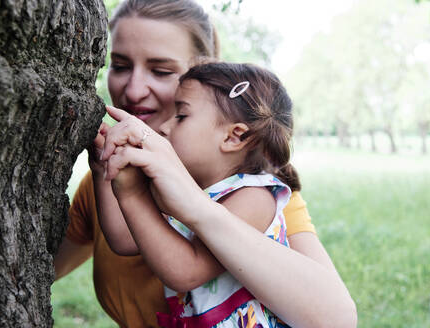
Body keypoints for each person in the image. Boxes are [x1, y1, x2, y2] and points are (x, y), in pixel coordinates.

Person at [54, 1, 357, 327]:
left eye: (161, 71)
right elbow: (31, 267)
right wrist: (107, 172)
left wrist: (194, 205)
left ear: (203, 74)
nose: (133, 89)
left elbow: (336, 319)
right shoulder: (111, 183)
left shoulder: (252, 191)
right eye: (121, 66)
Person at [98, 61, 318, 327]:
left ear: (234, 137)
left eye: (181, 116)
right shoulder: (191, 191)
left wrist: (134, 195)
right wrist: (103, 168)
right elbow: (124, 239)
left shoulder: (254, 198)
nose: (165, 127)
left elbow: (185, 271)